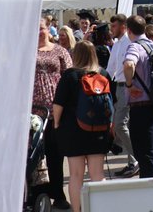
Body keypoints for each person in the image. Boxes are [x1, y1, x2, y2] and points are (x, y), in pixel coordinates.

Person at [52, 41, 113, 212]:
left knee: (76, 175)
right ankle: (100, 209)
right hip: (99, 131)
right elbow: (112, 103)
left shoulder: (70, 76)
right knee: (98, 174)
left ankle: (77, 210)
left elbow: (58, 105)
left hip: (73, 130)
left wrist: (57, 124)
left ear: (75, 55)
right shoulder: (104, 74)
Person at [33, 19, 71, 208]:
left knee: (56, 154)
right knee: (37, 154)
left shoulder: (60, 51)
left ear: (48, 30)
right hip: (34, 113)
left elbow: (70, 75)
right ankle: (38, 194)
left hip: (57, 111)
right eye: (36, 29)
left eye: (41, 28)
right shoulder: (27, 51)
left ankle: (58, 193)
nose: (39, 32)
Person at [123, 15, 153, 178]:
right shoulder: (152, 45)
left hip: (141, 106)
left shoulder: (135, 47)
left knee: (145, 152)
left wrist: (129, 84)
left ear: (128, 30)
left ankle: (152, 192)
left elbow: (129, 65)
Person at [104, 16, 137, 178]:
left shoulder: (130, 43)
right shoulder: (117, 44)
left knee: (120, 125)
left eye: (114, 26)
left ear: (123, 26)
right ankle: (133, 161)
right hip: (119, 87)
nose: (112, 29)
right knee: (123, 126)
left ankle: (135, 159)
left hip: (128, 87)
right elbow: (110, 70)